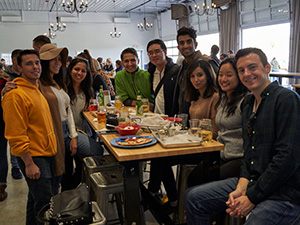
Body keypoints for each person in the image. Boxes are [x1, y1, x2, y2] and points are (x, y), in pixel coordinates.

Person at [184, 48, 300, 225]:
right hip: (254, 182)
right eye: (241, 70)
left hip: (283, 191)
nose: (247, 74)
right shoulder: (248, 103)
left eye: (252, 67)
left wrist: (251, 197)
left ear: (267, 67)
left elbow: (287, 159)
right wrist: (241, 187)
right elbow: (248, 152)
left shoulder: (286, 99)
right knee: (193, 198)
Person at [148, 59, 219, 215]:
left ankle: (152, 195)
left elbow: (214, 132)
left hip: (205, 149)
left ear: (208, 75)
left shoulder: (214, 97)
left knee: (162, 159)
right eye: (192, 76)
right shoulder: (195, 96)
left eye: (200, 75)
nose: (196, 80)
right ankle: (170, 199)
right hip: (193, 143)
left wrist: (192, 133)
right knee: (159, 156)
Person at [2, 49, 57, 225]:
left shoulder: (35, 88)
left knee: (35, 202)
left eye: (37, 62)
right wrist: (29, 163)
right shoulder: (15, 95)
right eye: (29, 63)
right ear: (18, 68)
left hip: (45, 153)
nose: (35, 67)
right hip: (34, 157)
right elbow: (16, 134)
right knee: (45, 206)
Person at [39, 44, 103, 191]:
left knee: (85, 163)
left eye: (83, 71)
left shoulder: (86, 90)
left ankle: (75, 191)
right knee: (64, 171)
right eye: (76, 69)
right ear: (70, 70)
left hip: (82, 132)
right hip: (65, 133)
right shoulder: (62, 86)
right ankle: (67, 196)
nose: (79, 73)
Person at [187, 58, 248, 188]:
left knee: (200, 180)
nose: (223, 79)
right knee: (193, 177)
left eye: (229, 75)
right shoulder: (224, 99)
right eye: (221, 75)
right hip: (220, 153)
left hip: (238, 157)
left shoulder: (245, 101)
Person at [172, 26, 218, 115]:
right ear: (178, 47)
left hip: (204, 118)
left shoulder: (207, 63)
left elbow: (218, 89)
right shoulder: (183, 65)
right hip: (184, 119)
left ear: (195, 44)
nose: (185, 46)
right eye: (182, 43)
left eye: (189, 42)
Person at [3, 49, 23, 180]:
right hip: (8, 112)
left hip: (24, 111)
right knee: (13, 140)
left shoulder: (25, 75)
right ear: (15, 60)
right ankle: (15, 166)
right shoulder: (4, 76)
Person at [147, 39, 179, 116]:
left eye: (157, 51)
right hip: (157, 118)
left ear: (165, 52)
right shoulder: (151, 72)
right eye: (150, 53)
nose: (154, 55)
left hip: (171, 119)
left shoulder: (176, 71)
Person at [0, 69, 10, 201]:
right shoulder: (4, 80)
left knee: (2, 153)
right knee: (1, 154)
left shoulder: (4, 81)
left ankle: (1, 187)